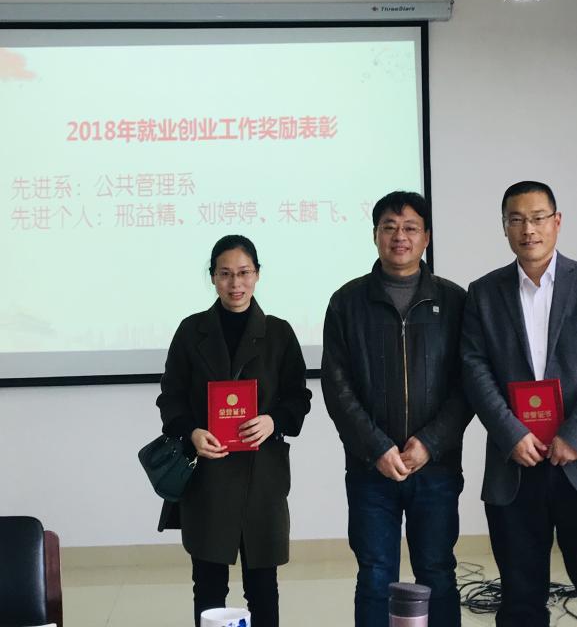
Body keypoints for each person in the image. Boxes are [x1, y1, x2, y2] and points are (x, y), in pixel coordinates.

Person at [321, 190, 471, 627]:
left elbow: (468, 384)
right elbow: (337, 387)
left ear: (426, 237)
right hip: (371, 469)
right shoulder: (347, 302)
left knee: (437, 572)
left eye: (410, 228)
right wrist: (377, 448)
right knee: (374, 575)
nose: (399, 237)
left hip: (436, 467)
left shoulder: (455, 302)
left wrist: (430, 443)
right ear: (375, 235)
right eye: (389, 227)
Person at [156, 234, 311, 627]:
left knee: (263, 587)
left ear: (258, 275)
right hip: (206, 478)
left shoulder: (279, 333)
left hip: (263, 478)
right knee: (208, 587)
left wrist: (273, 420)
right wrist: (192, 432)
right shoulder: (191, 331)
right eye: (225, 274)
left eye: (244, 273)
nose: (235, 283)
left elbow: (299, 398)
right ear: (212, 277)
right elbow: (170, 399)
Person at [461, 181, 577, 627]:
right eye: (516, 220)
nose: (528, 229)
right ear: (505, 227)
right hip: (515, 463)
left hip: (574, 461)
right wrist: (511, 433)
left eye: (538, 218)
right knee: (520, 599)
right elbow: (474, 368)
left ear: (557, 222)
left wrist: (573, 435)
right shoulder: (484, 292)